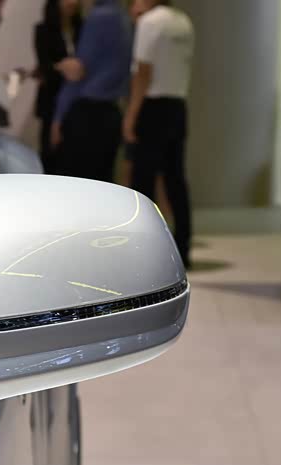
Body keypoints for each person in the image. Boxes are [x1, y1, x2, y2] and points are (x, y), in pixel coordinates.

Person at [122, 0, 194, 267]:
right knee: (176, 179)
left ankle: (146, 252)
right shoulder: (184, 22)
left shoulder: (149, 22)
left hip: (152, 107)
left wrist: (131, 115)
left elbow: (143, 71)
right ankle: (183, 247)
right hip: (178, 105)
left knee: (144, 182)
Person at [51, 0, 132, 182]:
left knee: (74, 183)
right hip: (111, 112)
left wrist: (58, 118)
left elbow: (78, 71)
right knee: (102, 182)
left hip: (88, 116)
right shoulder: (124, 18)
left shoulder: (99, 17)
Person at [34, 0, 82, 173]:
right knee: (50, 152)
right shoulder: (43, 30)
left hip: (76, 99)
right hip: (51, 97)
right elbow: (44, 65)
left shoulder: (81, 28)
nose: (72, 3)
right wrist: (64, 67)